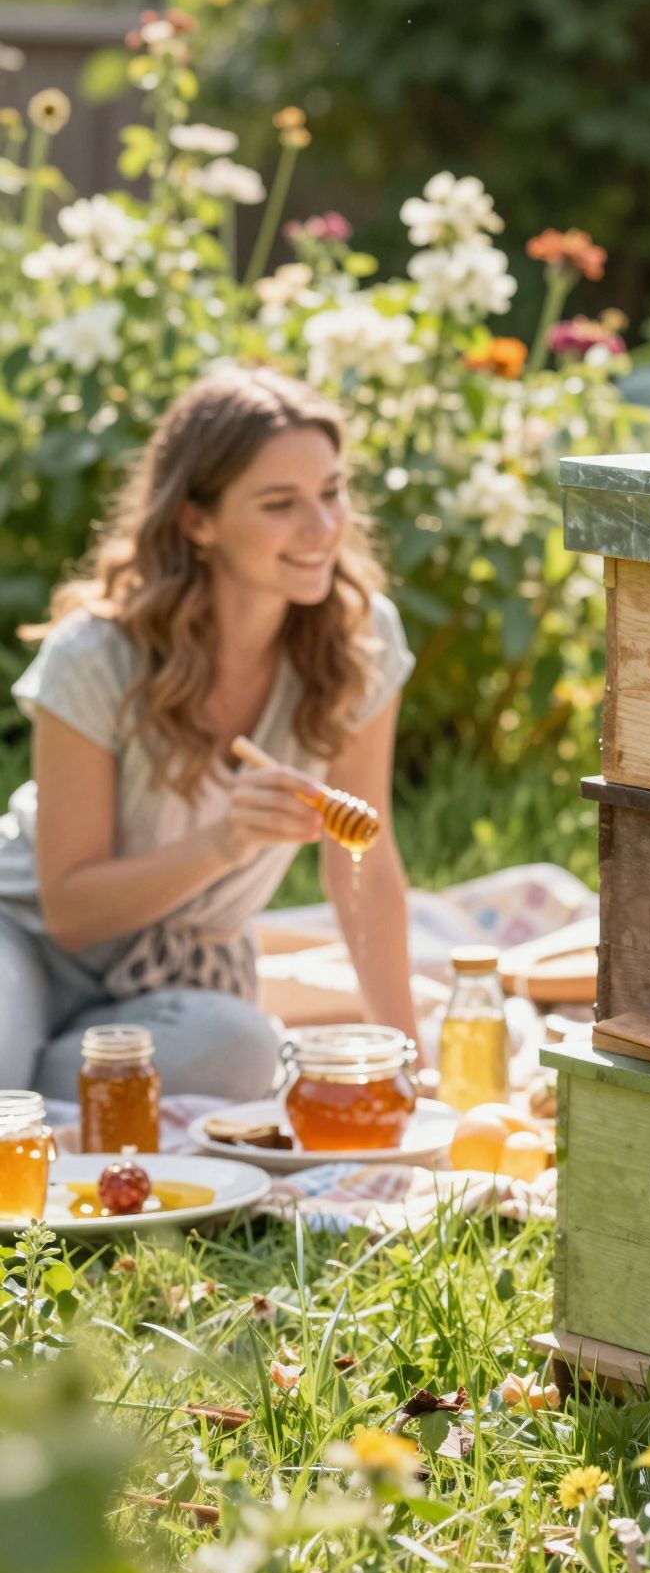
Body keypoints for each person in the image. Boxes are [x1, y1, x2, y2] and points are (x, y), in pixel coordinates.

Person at [0, 366, 418, 1102]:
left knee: (240, 1048)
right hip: (27, 944)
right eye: (280, 504)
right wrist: (224, 842)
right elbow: (67, 912)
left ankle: (38, 1093)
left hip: (179, 977)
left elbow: (365, 868)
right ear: (198, 520)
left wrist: (407, 1067)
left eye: (331, 492)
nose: (322, 528)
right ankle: (46, 1084)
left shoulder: (359, 640)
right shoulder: (96, 655)